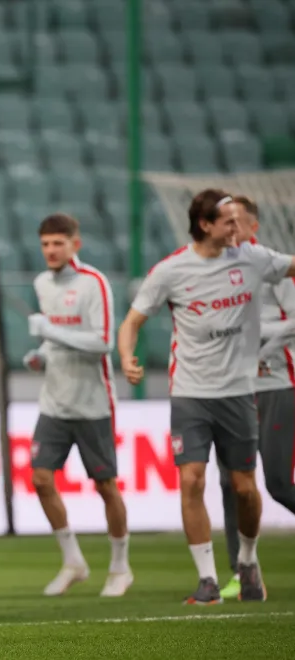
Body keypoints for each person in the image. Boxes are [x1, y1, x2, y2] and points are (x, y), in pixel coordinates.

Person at [118, 188, 295, 605]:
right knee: (191, 479)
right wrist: (127, 356)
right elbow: (132, 322)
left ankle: (248, 562)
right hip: (191, 394)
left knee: (245, 489)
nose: (240, 229)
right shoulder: (171, 271)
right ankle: (207, 580)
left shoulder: (251, 258)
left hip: (237, 393)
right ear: (205, 225)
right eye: (230, 222)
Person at [22, 213, 131, 597]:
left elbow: (102, 342)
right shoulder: (42, 284)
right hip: (54, 401)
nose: (51, 251)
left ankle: (120, 566)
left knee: (105, 485)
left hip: (92, 403)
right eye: (46, 244)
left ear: (75, 245)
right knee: (39, 478)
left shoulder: (94, 283)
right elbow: (57, 342)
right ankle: (73, 561)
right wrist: (40, 354)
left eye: (58, 243)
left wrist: (50, 331)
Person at [217, 195, 295, 600]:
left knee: (280, 483)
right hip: (233, 390)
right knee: (230, 482)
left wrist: (256, 351)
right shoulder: (213, 270)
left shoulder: (274, 268)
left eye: (236, 223)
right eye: (223, 222)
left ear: (253, 228)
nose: (230, 230)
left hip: (277, 384)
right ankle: (243, 573)